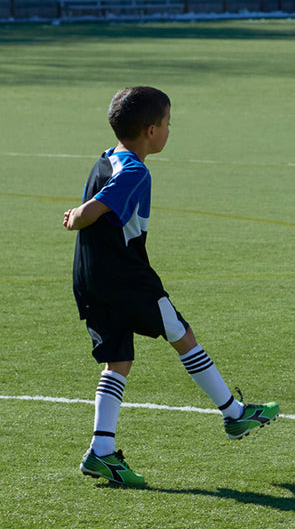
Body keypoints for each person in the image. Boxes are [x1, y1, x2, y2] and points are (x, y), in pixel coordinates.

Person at [63, 86, 278, 487]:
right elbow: (87, 215)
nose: (168, 130)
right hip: (125, 277)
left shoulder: (106, 159)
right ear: (149, 130)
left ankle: (102, 453)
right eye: (166, 124)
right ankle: (234, 414)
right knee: (180, 332)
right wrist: (77, 215)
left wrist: (81, 215)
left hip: (90, 276)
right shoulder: (133, 170)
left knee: (118, 361)